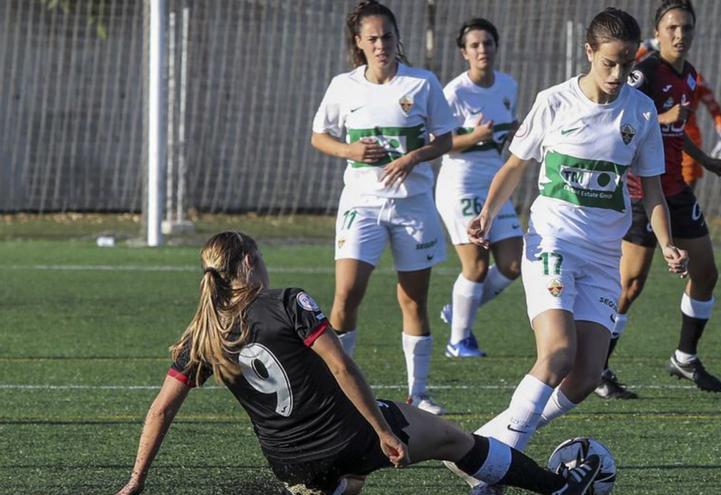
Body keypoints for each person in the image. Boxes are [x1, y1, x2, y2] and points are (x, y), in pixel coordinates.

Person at [113, 231, 603, 495]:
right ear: (246, 266)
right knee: (456, 441)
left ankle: (336, 485)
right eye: (259, 258)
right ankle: (558, 488)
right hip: (347, 436)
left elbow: (160, 411)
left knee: (343, 474)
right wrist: (384, 432)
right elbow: (342, 368)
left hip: (289, 463)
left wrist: (136, 481)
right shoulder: (287, 301)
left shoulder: (201, 335)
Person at [455, 8, 688, 494]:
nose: (619, 74)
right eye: (610, 63)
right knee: (557, 353)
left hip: (605, 256)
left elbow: (654, 191)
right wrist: (486, 214)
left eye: (627, 63)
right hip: (553, 241)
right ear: (589, 52)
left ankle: (488, 443)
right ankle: (494, 470)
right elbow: (514, 166)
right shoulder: (554, 101)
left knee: (582, 378)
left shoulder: (640, 111)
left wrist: (667, 244)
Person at [311, 0, 456, 414]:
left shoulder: (422, 83)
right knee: (346, 294)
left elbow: (445, 138)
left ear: (397, 39)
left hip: (413, 206)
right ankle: (337, 387)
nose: (381, 45)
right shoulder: (344, 86)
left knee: (412, 300)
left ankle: (419, 393)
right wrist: (349, 149)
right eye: (372, 38)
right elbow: (319, 136)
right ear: (358, 43)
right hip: (363, 203)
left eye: (387, 37)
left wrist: (413, 157)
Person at [600, 0, 721, 400]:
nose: (680, 35)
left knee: (705, 274)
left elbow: (676, 130)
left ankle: (685, 357)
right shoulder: (645, 72)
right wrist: (661, 119)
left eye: (687, 28)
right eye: (672, 27)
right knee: (630, 283)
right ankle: (598, 368)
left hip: (677, 189)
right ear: (658, 32)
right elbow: (617, 119)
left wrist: (705, 159)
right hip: (642, 191)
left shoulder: (688, 76)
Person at [436, 18, 522, 358]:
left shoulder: (508, 85)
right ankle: (459, 340)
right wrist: (474, 136)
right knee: (476, 266)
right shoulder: (454, 93)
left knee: (514, 265)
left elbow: (502, 135)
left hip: (495, 182)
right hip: (461, 184)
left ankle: (458, 311)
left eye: (487, 43)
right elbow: (438, 142)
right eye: (475, 45)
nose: (482, 50)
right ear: (464, 52)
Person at [634, 38, 721, 191]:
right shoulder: (649, 73)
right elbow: (628, 66)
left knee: (683, 194)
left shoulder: (694, 78)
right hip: (654, 140)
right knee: (652, 192)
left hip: (688, 139)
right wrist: (648, 45)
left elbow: (714, 108)